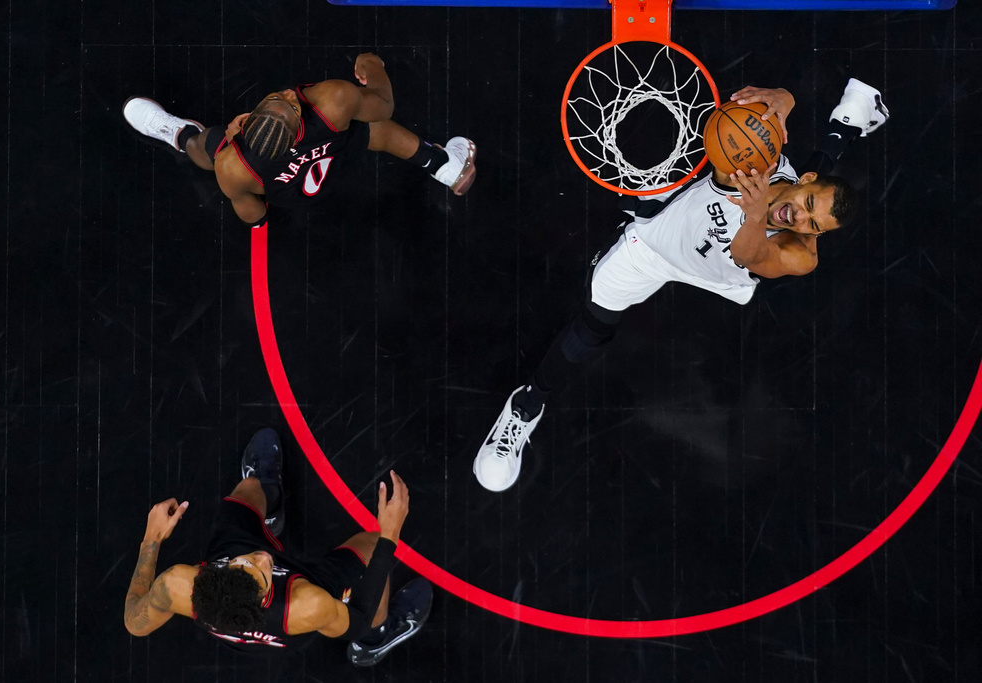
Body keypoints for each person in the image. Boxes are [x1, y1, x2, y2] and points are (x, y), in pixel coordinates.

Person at [472, 78, 890, 492]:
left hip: (718, 274)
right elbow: (772, 147)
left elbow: (750, 256)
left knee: (806, 203)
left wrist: (758, 212)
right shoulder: (750, 163)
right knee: (592, 328)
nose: (801, 220)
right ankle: (527, 405)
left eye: (814, 226)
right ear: (802, 181)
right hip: (653, 250)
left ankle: (850, 117)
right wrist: (787, 96)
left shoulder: (802, 255)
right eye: (807, 205)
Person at [123, 428, 431, 667]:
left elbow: (134, 622)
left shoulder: (179, 585)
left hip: (236, 571)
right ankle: (376, 640)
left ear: (209, 576)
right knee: (374, 547)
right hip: (301, 590)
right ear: (265, 597)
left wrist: (151, 539)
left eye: (245, 562)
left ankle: (267, 495)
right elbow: (356, 619)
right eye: (264, 571)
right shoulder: (307, 606)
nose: (263, 557)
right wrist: (390, 535)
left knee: (246, 494)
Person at [122, 52, 475, 228]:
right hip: (337, 154)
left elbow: (253, 214)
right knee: (376, 129)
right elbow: (383, 105)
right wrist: (371, 64)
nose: (290, 94)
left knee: (207, 147)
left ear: (246, 122)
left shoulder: (233, 164)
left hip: (299, 194)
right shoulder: (333, 101)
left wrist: (232, 148)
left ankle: (183, 136)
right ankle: (444, 166)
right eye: (287, 101)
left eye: (283, 99)